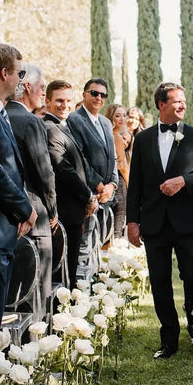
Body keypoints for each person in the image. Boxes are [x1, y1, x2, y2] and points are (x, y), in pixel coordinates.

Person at [126, 82, 193, 360]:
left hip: (187, 222)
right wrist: (132, 221)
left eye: (183, 102)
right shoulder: (142, 139)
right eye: (175, 101)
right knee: (160, 282)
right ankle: (168, 339)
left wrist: (184, 181)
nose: (181, 106)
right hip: (153, 223)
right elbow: (136, 185)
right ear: (160, 105)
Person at [0, 43, 36, 334]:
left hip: (3, 226)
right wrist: (25, 209)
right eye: (20, 73)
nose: (22, 80)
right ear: (5, 73)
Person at [7, 64, 58, 318]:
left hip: (3, 218)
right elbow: (44, 173)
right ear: (27, 87)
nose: (42, 93)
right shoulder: (29, 121)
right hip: (33, 214)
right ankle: (36, 348)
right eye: (41, 87)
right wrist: (52, 210)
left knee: (8, 294)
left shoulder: (0, 115)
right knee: (36, 289)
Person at [44, 80, 98, 289]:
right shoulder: (50, 129)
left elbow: (80, 164)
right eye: (58, 100)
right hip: (65, 211)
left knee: (71, 269)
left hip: (74, 210)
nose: (64, 105)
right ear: (47, 101)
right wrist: (88, 196)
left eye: (67, 100)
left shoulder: (63, 126)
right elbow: (63, 169)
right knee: (64, 272)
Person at [67, 78, 118, 273]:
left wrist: (112, 184)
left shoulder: (105, 122)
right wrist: (98, 185)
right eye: (94, 93)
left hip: (105, 194)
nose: (98, 97)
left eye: (103, 95)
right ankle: (82, 294)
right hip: (87, 193)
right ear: (84, 94)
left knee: (98, 243)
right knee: (83, 246)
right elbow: (79, 158)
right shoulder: (75, 119)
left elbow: (112, 156)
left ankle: (95, 286)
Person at [104, 103, 130, 239]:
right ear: (110, 117)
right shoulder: (116, 137)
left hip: (108, 179)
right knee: (120, 215)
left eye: (124, 115)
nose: (122, 119)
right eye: (117, 115)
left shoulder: (107, 134)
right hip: (119, 180)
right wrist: (129, 183)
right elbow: (123, 166)